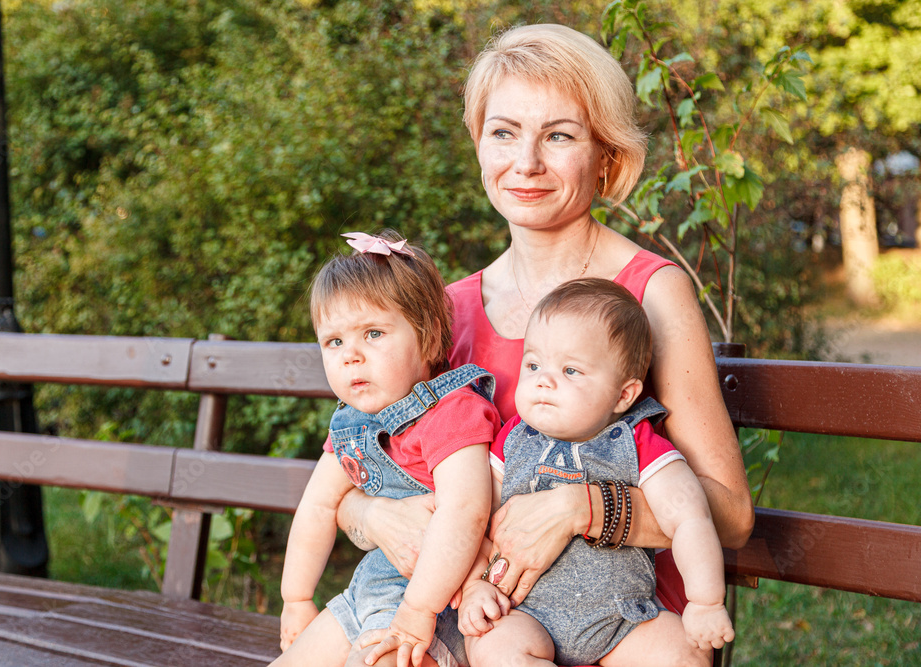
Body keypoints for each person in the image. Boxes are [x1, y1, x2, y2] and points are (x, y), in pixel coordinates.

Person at [336, 23, 754, 667]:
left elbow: (729, 514)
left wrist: (580, 507)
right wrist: (374, 518)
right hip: (480, 620)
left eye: (558, 135)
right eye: (504, 132)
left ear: (607, 156)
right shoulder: (444, 307)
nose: (525, 162)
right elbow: (360, 469)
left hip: (624, 627)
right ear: (479, 143)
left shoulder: (649, 292)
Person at [457, 278, 734, 666]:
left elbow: (690, 517)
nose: (544, 379)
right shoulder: (513, 439)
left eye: (571, 370)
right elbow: (470, 517)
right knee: (495, 648)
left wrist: (706, 601)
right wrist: (474, 586)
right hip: (524, 613)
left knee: (680, 654)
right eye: (533, 364)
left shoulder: (635, 442)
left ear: (624, 395)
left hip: (622, 620)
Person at [273, 231, 501, 667]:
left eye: (373, 333)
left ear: (429, 334)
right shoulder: (352, 423)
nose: (350, 356)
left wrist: (418, 609)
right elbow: (319, 507)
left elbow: (465, 511)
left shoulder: (452, 411)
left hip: (431, 605)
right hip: (364, 593)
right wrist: (297, 597)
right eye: (334, 341)